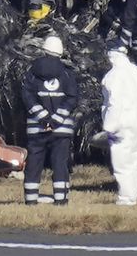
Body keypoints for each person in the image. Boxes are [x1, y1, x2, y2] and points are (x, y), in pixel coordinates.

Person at [21, 33, 78, 205]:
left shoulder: (32, 72)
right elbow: (72, 98)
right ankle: (61, 200)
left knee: (34, 163)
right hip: (61, 129)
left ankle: (31, 200)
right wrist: (55, 120)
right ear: (60, 53)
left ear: (43, 50)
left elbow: (27, 96)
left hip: (36, 129)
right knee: (60, 164)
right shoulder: (67, 74)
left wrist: (43, 118)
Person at [101, 46, 137, 206]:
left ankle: (126, 197)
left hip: (122, 119)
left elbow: (114, 103)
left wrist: (109, 127)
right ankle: (133, 193)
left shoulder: (113, 76)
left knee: (121, 159)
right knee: (135, 157)